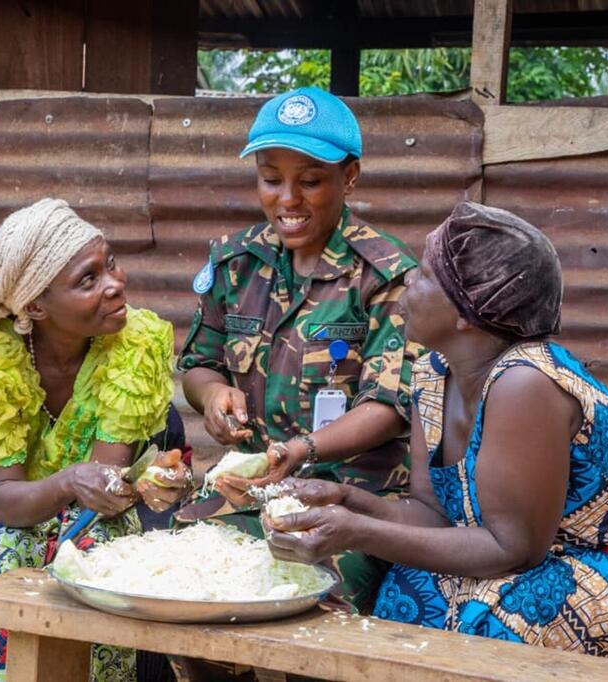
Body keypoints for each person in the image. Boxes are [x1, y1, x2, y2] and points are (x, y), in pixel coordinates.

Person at [264, 202, 608, 681]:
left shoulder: (525, 382)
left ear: (465, 313)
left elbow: (513, 551)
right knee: (407, 590)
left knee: (496, 616)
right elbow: (431, 513)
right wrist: (347, 500)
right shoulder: (431, 373)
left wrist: (355, 531)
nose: (407, 283)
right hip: (560, 552)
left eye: (423, 275)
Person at [175, 86, 421, 614]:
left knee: (310, 605)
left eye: (310, 181)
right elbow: (199, 364)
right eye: (271, 179)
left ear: (348, 176)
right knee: (182, 580)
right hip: (250, 489)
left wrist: (303, 450)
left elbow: (388, 406)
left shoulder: (385, 275)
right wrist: (215, 395)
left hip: (351, 495)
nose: (287, 199)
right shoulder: (235, 263)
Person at [0, 198, 189, 682]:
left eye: (109, 262)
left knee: (102, 568)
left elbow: (106, 493)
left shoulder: (134, 347)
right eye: (88, 280)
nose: (115, 284)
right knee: (5, 560)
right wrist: (70, 479)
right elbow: (7, 501)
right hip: (20, 510)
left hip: (98, 514)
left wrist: (152, 480)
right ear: (34, 306)